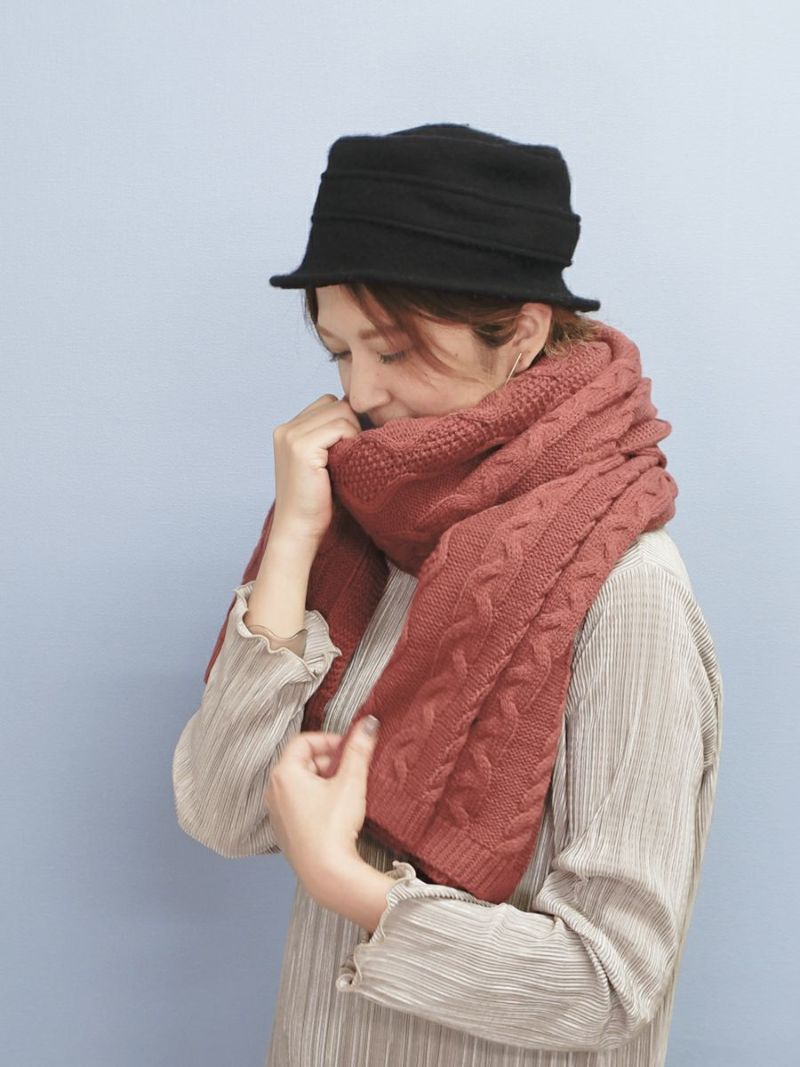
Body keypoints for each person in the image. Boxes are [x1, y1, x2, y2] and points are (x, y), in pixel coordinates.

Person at [172, 123, 723, 1067]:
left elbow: (612, 983)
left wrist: (353, 886)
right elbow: (226, 811)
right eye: (339, 353)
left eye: (393, 352)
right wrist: (295, 536)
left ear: (524, 334)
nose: (360, 394)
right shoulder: (361, 528)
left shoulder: (627, 589)